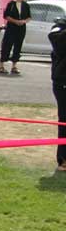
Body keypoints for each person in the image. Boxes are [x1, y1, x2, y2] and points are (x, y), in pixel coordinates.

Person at [0, 0, 31, 75]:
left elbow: (29, 17)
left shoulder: (26, 5)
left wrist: (24, 21)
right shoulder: (11, 4)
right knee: (7, 45)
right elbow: (6, 16)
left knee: (18, 46)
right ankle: (2, 65)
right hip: (11, 27)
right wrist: (15, 21)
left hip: (21, 28)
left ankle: (14, 65)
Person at [49, 16, 66, 171]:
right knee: (65, 120)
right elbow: (56, 40)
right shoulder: (59, 27)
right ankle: (63, 159)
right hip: (63, 82)